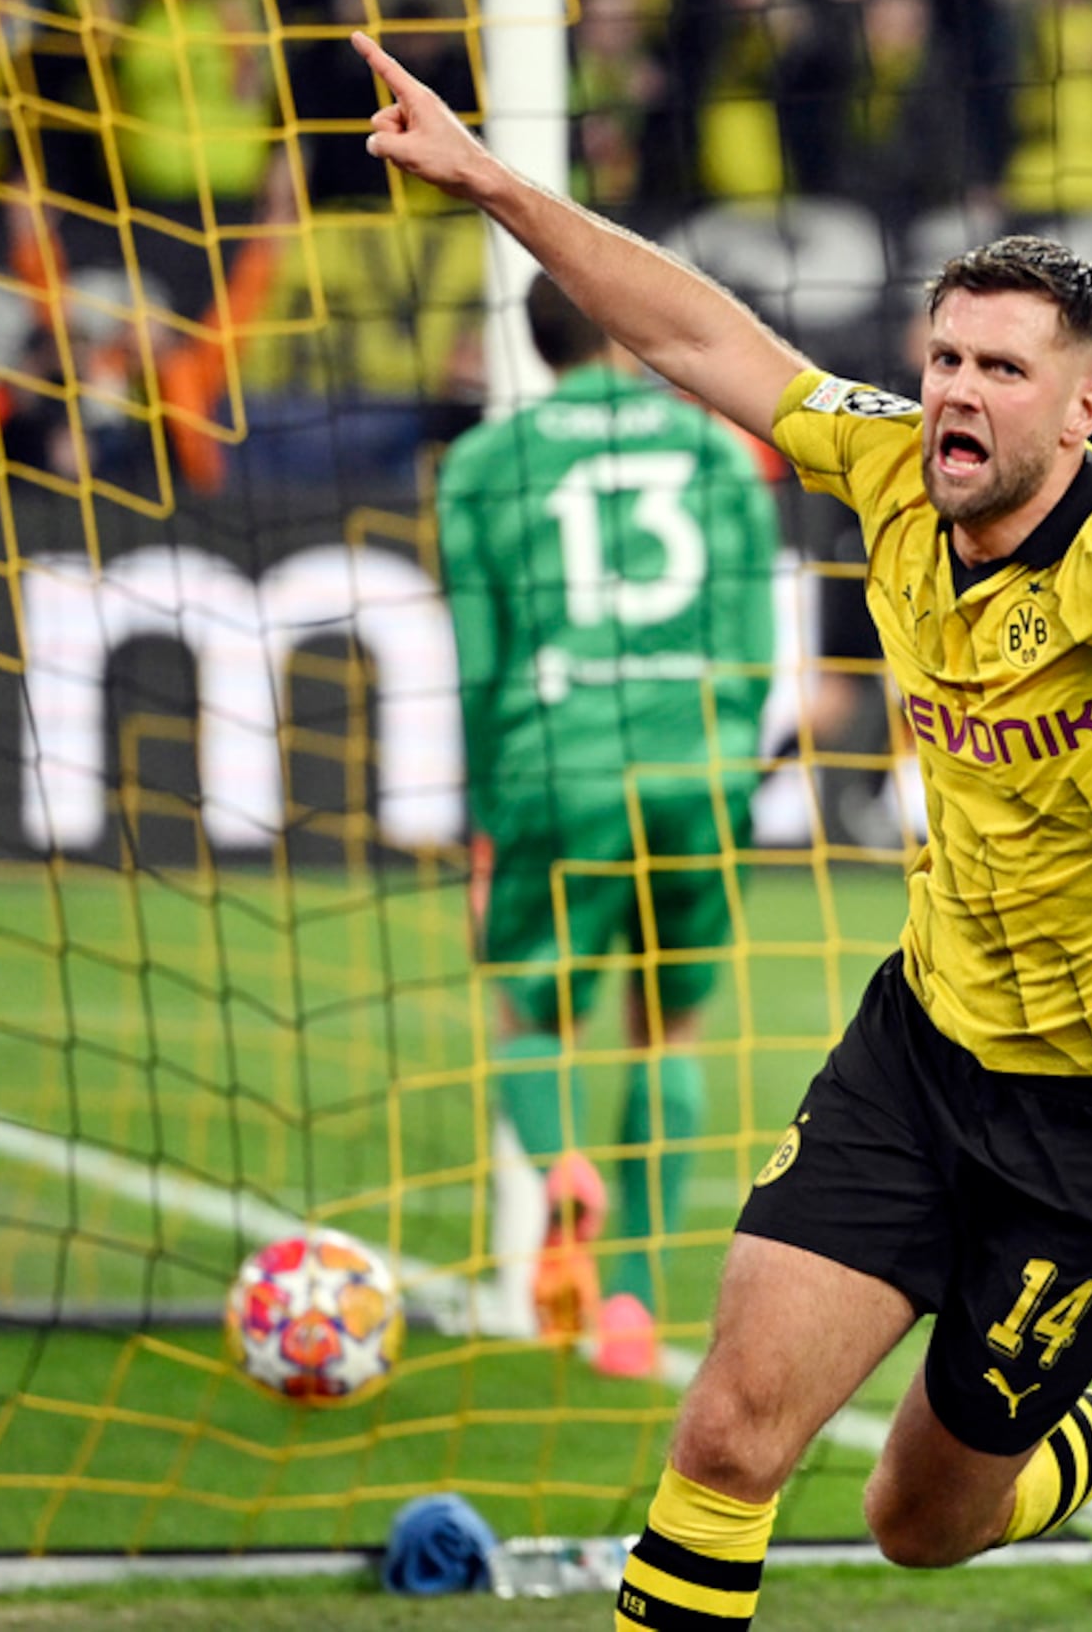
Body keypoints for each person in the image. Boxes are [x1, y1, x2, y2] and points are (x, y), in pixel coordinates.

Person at [352, 28, 1092, 1626]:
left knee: (922, 1524)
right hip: (926, 1044)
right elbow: (694, 335)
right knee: (731, 1431)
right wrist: (493, 186)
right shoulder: (891, 464)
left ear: (1084, 405)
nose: (957, 390)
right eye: (946, 356)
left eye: (1001, 370)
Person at [440, 274, 780, 1380]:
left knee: (527, 1007)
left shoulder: (487, 465)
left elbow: (481, 662)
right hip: (697, 769)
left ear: (532, 347)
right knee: (666, 1028)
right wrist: (725, 765)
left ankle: (557, 1176)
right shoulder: (720, 454)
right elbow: (751, 646)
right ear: (629, 331)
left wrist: (490, 820)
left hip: (557, 765)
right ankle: (631, 1296)